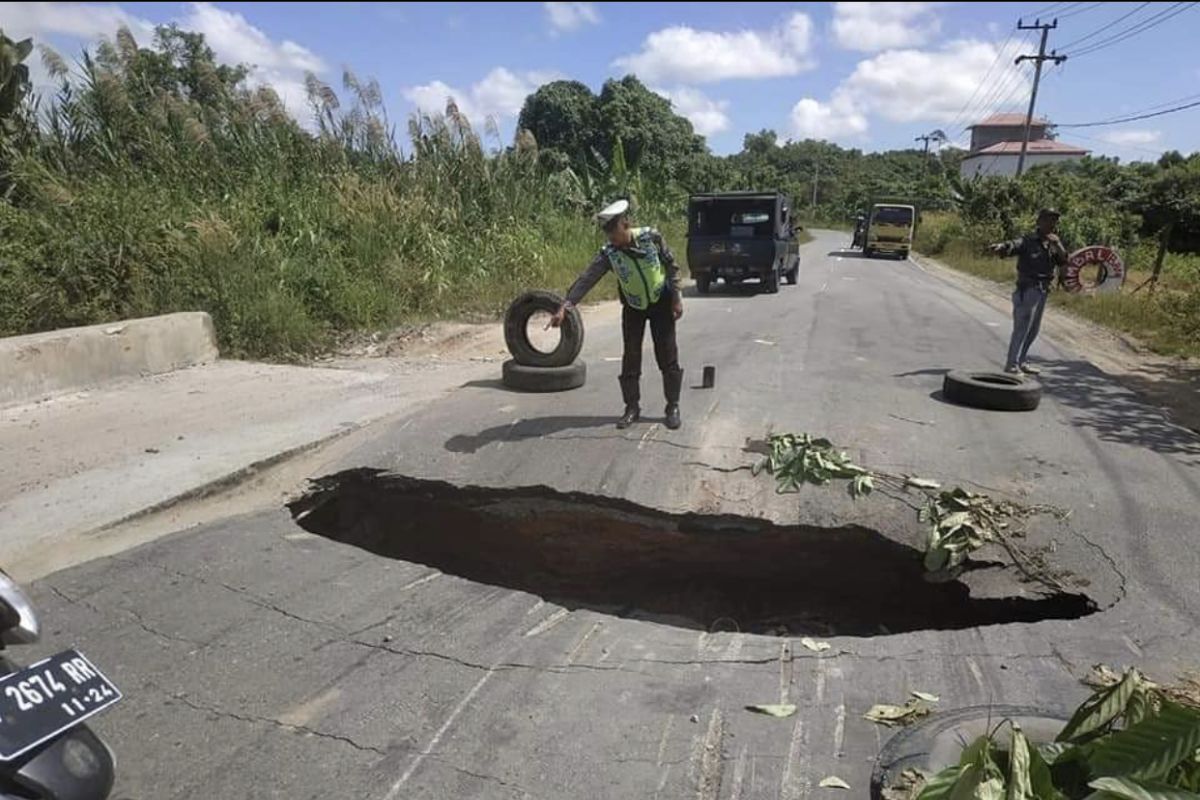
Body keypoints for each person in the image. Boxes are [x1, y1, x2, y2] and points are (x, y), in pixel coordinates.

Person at [549, 199, 684, 430]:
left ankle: (672, 406)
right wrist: (566, 306)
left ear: (626, 224)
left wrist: (677, 297)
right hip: (633, 307)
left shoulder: (651, 238)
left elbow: (671, 265)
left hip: (661, 302)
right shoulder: (609, 253)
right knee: (630, 357)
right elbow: (587, 279)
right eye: (610, 236)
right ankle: (632, 407)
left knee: (667, 355)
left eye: (616, 234)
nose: (614, 240)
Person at [990, 208, 1068, 375]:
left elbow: (1063, 260)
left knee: (1033, 330)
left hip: (1042, 290)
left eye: (1054, 221)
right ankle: (1011, 364)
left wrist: (1058, 244)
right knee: (1022, 327)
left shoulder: (1052, 244)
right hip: (1028, 289)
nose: (1051, 224)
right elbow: (1013, 245)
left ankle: (1022, 360)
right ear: (1039, 222)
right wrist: (1002, 247)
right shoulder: (1029, 241)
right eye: (1047, 220)